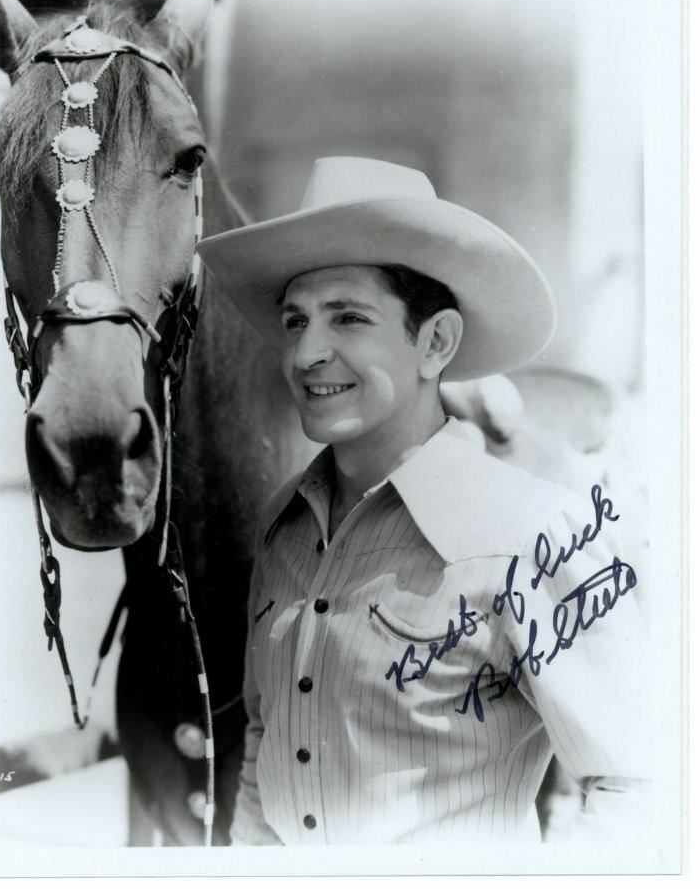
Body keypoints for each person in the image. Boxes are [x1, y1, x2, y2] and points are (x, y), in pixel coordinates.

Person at [197, 157, 649, 845]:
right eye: (294, 321)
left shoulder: (531, 532)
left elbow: (636, 787)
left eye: (347, 318)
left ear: (434, 342)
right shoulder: (283, 527)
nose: (307, 353)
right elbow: (266, 745)